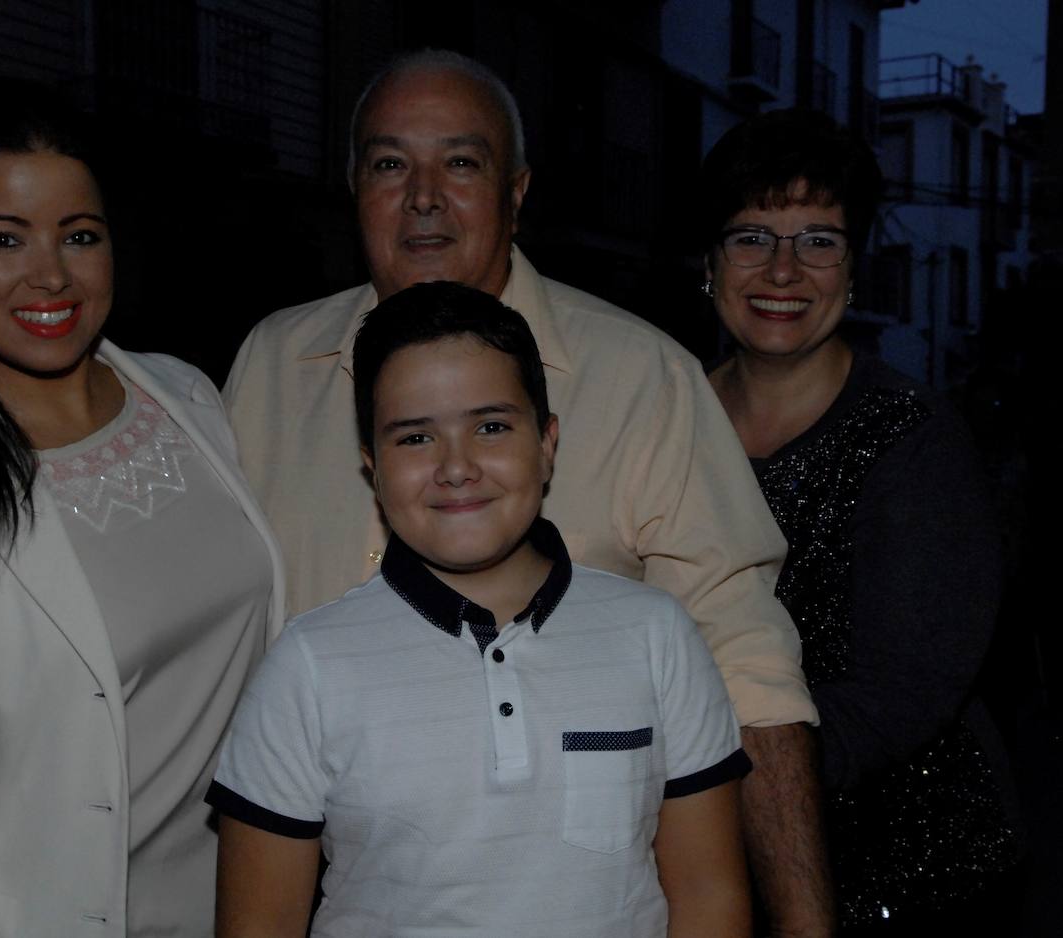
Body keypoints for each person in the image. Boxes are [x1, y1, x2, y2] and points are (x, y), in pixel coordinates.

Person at [223, 49, 831, 933]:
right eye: (391, 164)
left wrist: (807, 924)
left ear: (516, 191)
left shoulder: (639, 375)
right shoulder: (271, 364)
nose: (424, 196)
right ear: (353, 187)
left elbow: (749, 669)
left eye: (460, 163)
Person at [0, 79, 285, 938]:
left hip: (255, 908)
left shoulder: (186, 399)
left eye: (80, 236)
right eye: (3, 238)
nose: (51, 275)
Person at [208, 281, 752, 937]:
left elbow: (708, 894)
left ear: (547, 444)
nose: (456, 467)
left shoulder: (656, 637)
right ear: (370, 467)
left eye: (491, 427)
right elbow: (258, 923)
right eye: (414, 438)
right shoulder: (306, 667)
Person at [700, 108, 1020, 933]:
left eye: (818, 239)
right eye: (750, 237)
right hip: (704, 858)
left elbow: (903, 691)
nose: (782, 269)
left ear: (852, 268)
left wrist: (710, 772)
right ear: (709, 262)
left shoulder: (912, 437)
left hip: (907, 871)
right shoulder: (665, 419)